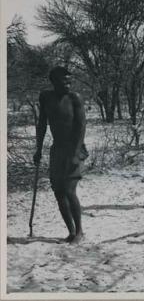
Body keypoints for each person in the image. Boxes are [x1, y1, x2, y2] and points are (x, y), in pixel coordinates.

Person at [33, 66, 88, 244]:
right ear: (54, 81)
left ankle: (80, 231)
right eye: (64, 81)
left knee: (70, 190)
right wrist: (38, 149)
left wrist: (74, 155)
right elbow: (42, 124)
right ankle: (71, 231)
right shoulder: (46, 97)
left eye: (70, 81)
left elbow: (81, 128)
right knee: (58, 192)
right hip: (57, 150)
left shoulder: (75, 98)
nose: (68, 84)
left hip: (75, 148)